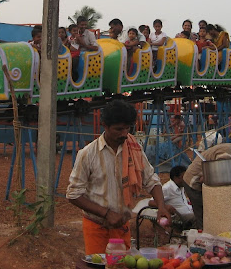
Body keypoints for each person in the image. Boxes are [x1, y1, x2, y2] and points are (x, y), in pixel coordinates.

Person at [67, 100, 171, 254]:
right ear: (105, 125)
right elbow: (73, 194)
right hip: (96, 226)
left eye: (127, 128)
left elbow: (151, 180)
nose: (124, 134)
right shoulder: (88, 154)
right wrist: (106, 214)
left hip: (122, 227)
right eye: (119, 129)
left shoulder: (134, 148)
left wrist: (161, 206)